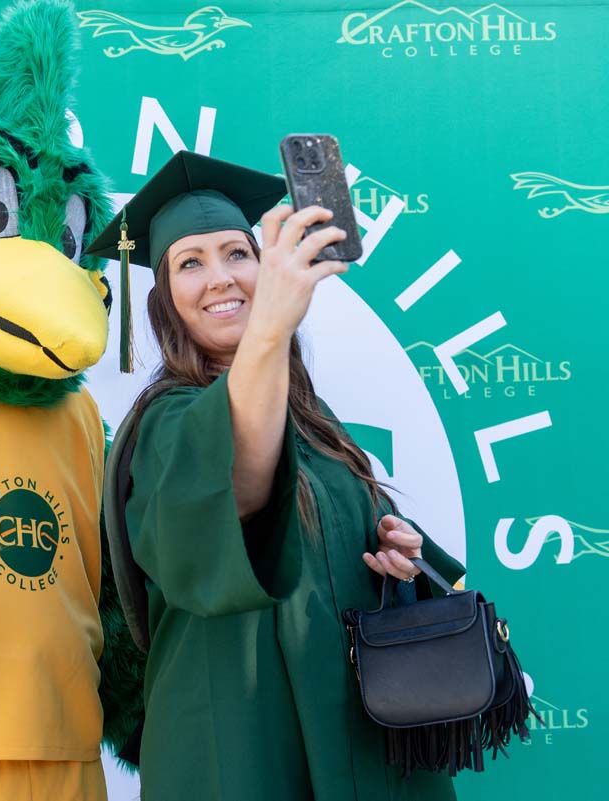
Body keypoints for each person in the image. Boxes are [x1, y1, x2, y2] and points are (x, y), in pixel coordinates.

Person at [85, 151, 465, 801]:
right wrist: (273, 321)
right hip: (237, 746)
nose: (219, 279)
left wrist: (396, 562)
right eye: (190, 263)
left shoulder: (317, 422)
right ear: (166, 300)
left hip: (356, 731)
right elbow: (241, 485)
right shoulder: (166, 426)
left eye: (237, 253)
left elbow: (343, 552)